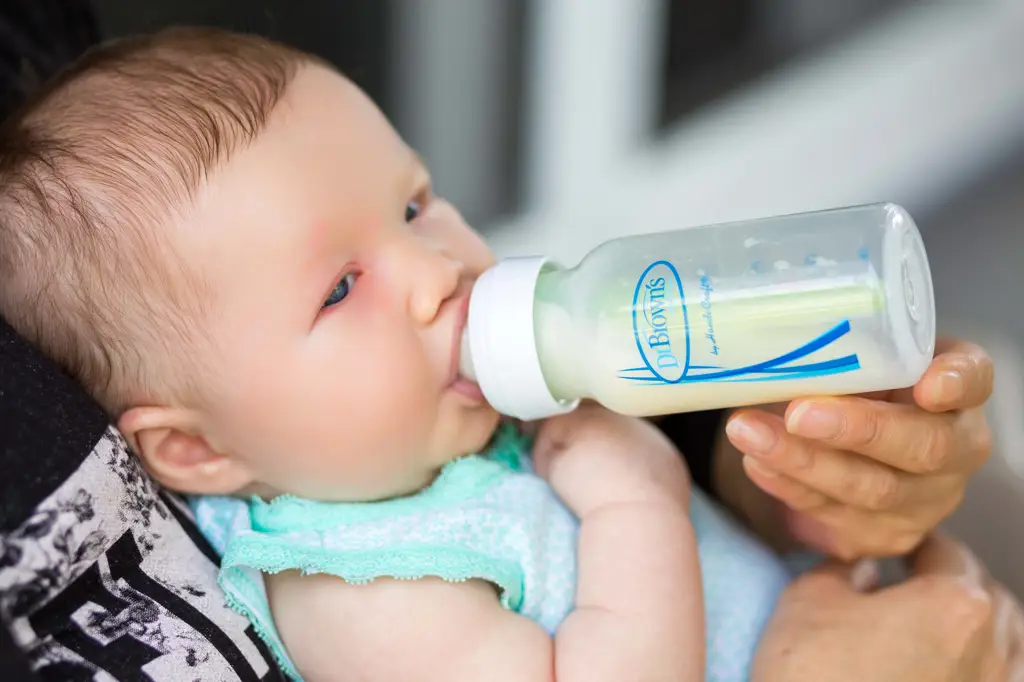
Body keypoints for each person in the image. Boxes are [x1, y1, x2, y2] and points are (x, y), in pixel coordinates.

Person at [0, 9, 1020, 682]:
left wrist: (790, 477)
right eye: (343, 286)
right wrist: (638, 498)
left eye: (414, 202)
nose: (438, 266)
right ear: (198, 453)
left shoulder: (444, 426)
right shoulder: (359, 592)